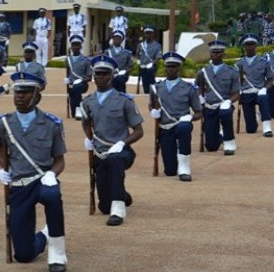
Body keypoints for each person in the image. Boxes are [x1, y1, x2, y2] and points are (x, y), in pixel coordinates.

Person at [0, 72, 67, 272]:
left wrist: (52, 174)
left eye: (25, 92)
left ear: (37, 95)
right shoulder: (3, 123)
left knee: (52, 196)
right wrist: (3, 169)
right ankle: (44, 236)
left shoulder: (52, 124)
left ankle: (58, 253)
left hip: (42, 180)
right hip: (19, 184)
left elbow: (60, 160)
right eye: (17, 92)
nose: (20, 96)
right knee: (24, 255)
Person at [81, 55, 144, 226]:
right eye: (97, 74)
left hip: (121, 152)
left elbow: (139, 131)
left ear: (112, 75)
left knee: (115, 160)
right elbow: (86, 122)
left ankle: (119, 209)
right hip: (101, 153)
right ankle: (121, 196)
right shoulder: (88, 102)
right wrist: (89, 139)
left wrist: (123, 143)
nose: (100, 77)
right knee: (104, 206)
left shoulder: (124, 101)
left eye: (104, 74)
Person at [148, 52, 201, 181]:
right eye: (168, 66)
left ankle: (184, 167)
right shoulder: (156, 88)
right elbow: (152, 105)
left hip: (181, 124)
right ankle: (175, 161)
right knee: (170, 171)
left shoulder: (189, 88)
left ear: (179, 68)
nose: (171, 69)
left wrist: (190, 118)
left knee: (184, 128)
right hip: (165, 127)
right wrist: (153, 112)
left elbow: (199, 112)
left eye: (174, 66)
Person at [196, 40, 240, 155]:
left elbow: (236, 93)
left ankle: (229, 142)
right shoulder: (203, 71)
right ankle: (220, 135)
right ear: (210, 54)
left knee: (225, 113)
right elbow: (199, 87)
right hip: (209, 106)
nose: (215, 55)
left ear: (223, 54)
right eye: (213, 52)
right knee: (211, 147)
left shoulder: (232, 72)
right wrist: (200, 98)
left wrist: (229, 102)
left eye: (218, 52)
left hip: (224, 105)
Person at [235, 35, 273, 137]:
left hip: (259, 91)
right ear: (244, 46)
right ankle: (256, 117)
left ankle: (267, 127)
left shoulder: (263, 62)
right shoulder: (239, 64)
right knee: (251, 129)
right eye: (247, 44)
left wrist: (265, 89)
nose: (249, 47)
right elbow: (235, 82)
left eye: (252, 44)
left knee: (263, 98)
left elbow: (270, 80)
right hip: (246, 93)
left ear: (256, 45)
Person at [64, 35, 92, 120]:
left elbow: (89, 77)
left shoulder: (86, 60)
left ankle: (79, 111)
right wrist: (67, 81)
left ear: (80, 46)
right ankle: (76, 111)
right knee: (73, 93)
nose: (75, 47)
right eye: (73, 45)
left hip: (83, 84)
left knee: (76, 89)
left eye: (77, 45)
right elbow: (68, 73)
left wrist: (80, 80)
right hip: (72, 84)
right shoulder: (68, 59)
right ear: (71, 47)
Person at [137, 26, 162, 94]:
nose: (148, 35)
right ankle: (146, 93)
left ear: (153, 34)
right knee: (144, 82)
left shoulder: (157, 45)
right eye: (146, 33)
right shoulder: (141, 45)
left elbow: (158, 57)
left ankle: (153, 92)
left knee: (151, 81)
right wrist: (138, 61)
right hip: (143, 66)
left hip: (151, 66)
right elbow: (138, 54)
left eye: (150, 33)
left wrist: (152, 63)